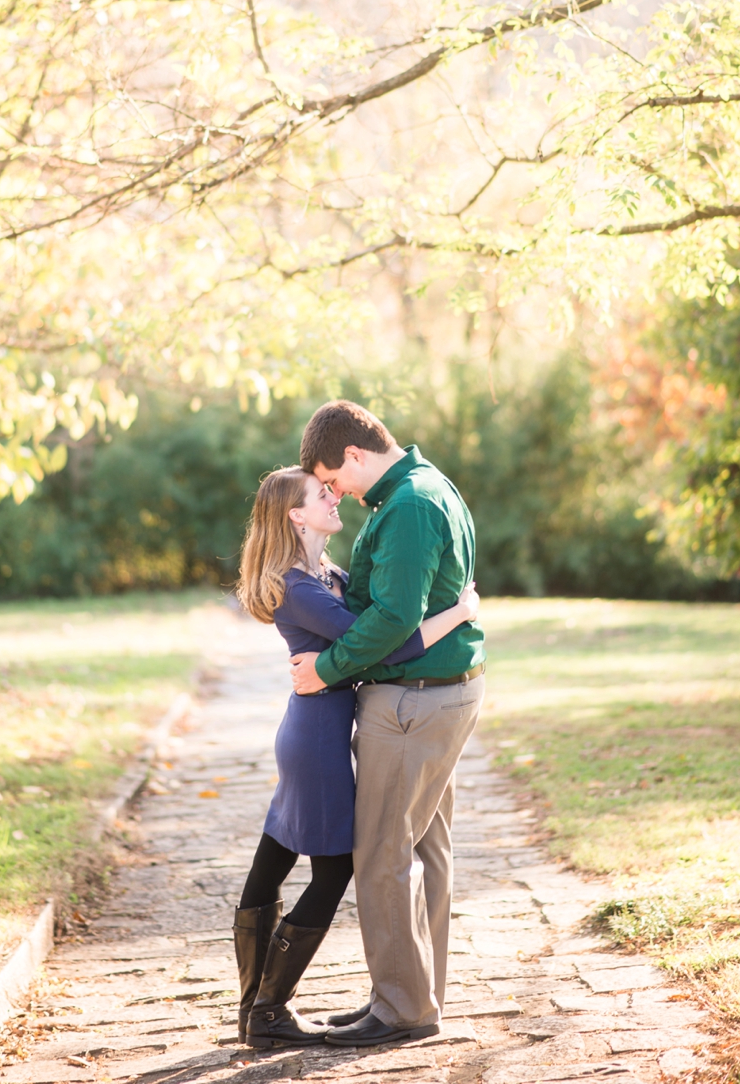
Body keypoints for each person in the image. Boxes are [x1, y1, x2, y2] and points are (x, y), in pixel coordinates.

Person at [233, 466, 477, 1049]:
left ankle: (254, 1008)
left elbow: (376, 615)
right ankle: (267, 1010)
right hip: (315, 743)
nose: (334, 497)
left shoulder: (323, 572)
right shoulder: (298, 586)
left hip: (311, 734)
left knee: (274, 855)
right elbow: (380, 642)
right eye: (323, 495)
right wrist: (460, 612)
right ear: (296, 515)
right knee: (334, 866)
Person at [288, 401, 485, 1048]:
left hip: (412, 702)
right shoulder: (427, 487)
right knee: (425, 849)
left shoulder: (407, 507)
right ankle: (411, 993)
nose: (334, 492)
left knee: (382, 852)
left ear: (354, 456)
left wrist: (329, 667)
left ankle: (403, 1010)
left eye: (332, 478)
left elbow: (395, 615)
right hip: (436, 695)